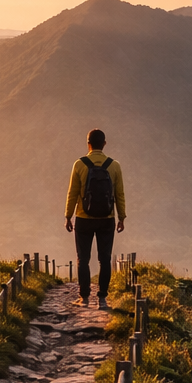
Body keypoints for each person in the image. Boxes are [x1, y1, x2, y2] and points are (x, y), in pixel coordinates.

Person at [63, 128, 126, 309]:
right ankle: (103, 299)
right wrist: (121, 217)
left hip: (83, 218)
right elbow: (119, 194)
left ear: (88, 144)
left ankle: (84, 298)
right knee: (104, 259)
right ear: (104, 144)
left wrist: (68, 216)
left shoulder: (79, 165)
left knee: (83, 258)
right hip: (107, 219)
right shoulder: (114, 166)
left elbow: (72, 193)